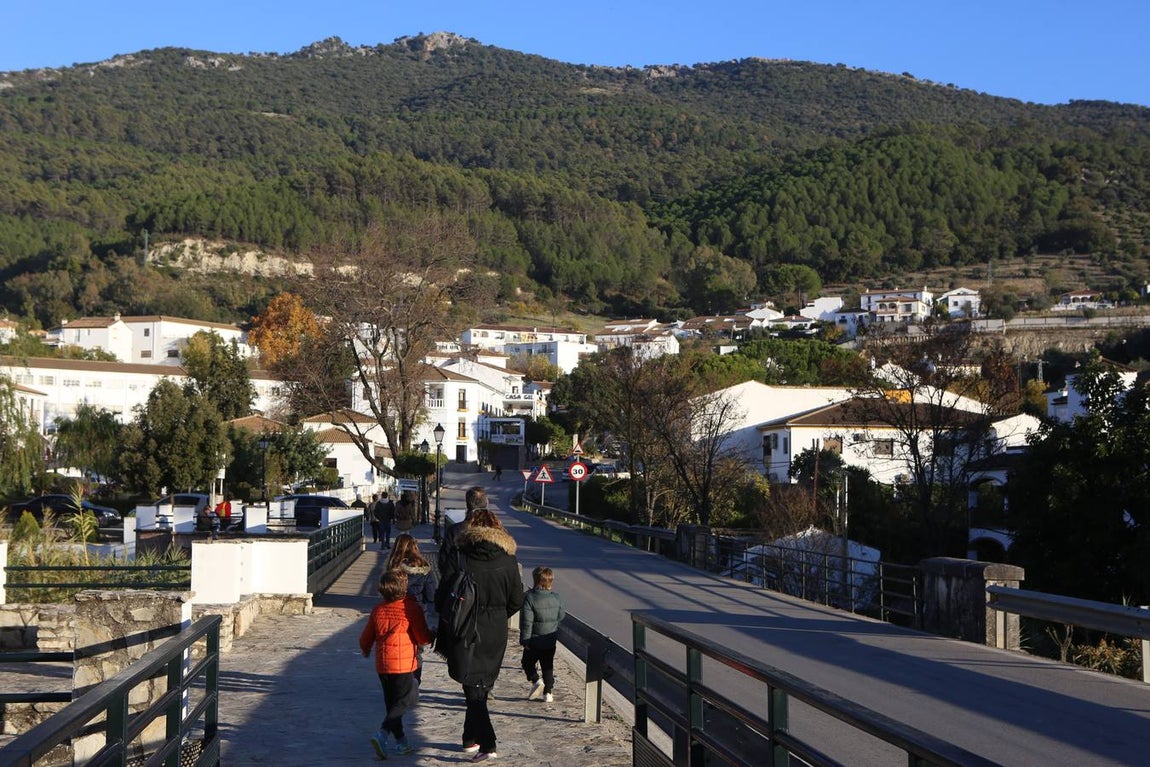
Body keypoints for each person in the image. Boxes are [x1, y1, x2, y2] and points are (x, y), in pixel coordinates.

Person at [435, 509, 524, 762]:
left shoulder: (461, 556)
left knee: (472, 685)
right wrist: (497, 615)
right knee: (480, 684)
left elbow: (443, 595)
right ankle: (469, 738)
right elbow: (516, 600)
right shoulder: (508, 560)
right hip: (496, 630)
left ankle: (488, 742)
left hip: (466, 627)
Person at [359, 568, 434, 759]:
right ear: (403, 588)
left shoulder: (378, 610)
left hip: (383, 665)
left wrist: (366, 649)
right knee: (403, 701)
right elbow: (422, 637)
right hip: (403, 665)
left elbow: (366, 638)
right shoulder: (410, 608)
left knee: (391, 704)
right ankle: (382, 733)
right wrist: (432, 636)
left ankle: (402, 743)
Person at [386, 534, 438, 682]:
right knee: (416, 650)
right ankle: (415, 680)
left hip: (396, 613)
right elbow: (431, 596)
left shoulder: (392, 567)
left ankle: (400, 680)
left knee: (397, 648)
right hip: (418, 613)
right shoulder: (424, 568)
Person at [519, 566, 566, 703]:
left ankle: (536, 680)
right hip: (549, 639)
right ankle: (548, 693)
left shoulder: (530, 597)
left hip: (533, 640)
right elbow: (561, 615)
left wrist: (525, 640)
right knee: (547, 666)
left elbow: (527, 622)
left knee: (527, 662)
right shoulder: (556, 597)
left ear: (535, 580)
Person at [437, 486, 488, 576]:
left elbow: (444, 562)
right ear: (487, 503)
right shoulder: (497, 532)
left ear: (468, 504)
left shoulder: (455, 530)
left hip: (463, 580)